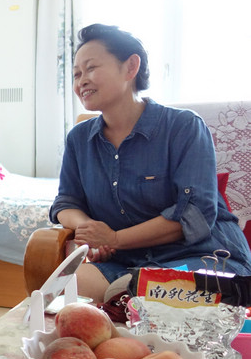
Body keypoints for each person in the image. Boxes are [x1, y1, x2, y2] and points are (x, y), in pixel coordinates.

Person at [51, 23, 251, 302]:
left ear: (131, 67)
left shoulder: (184, 127)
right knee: (68, 289)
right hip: (126, 264)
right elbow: (66, 202)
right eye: (76, 74)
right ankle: (133, 293)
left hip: (201, 258)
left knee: (165, 295)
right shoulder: (79, 139)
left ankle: (134, 293)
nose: (81, 81)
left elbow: (194, 214)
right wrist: (90, 231)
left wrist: (114, 239)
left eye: (91, 68)